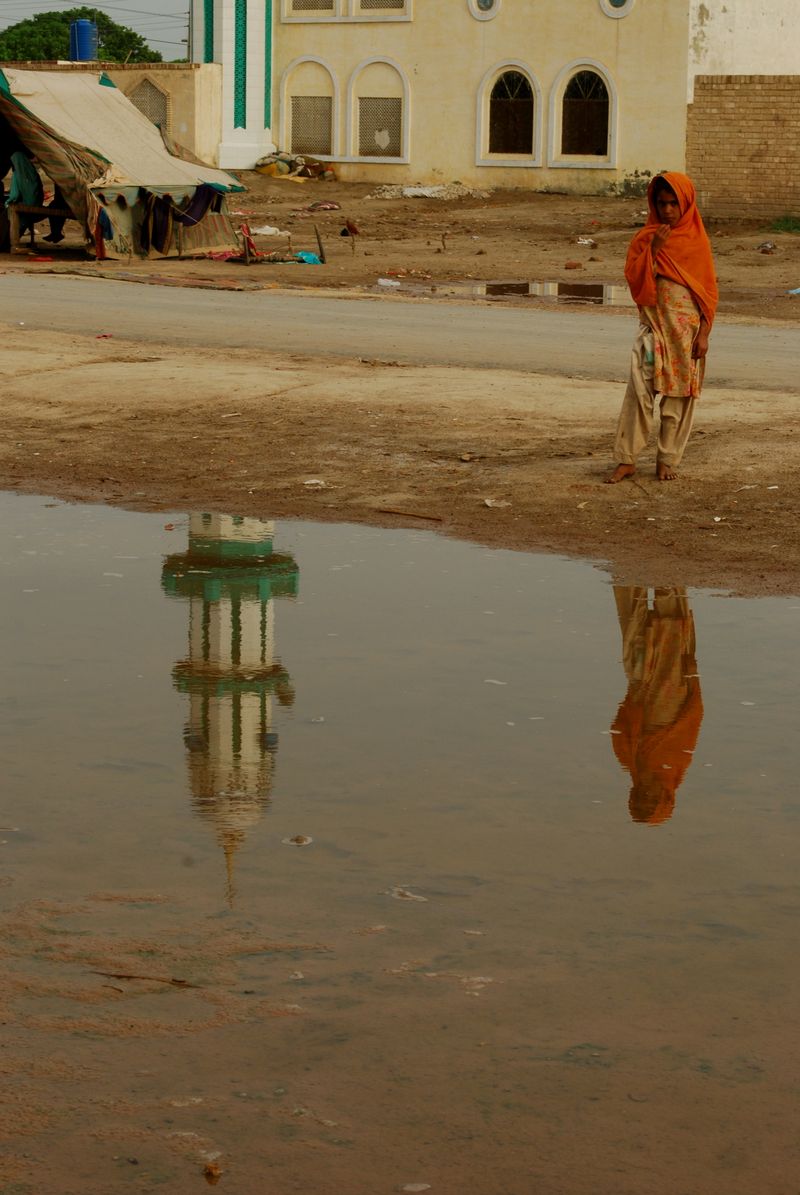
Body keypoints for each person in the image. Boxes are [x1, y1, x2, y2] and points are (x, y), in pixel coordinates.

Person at [606, 172, 718, 483]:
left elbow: (708, 294)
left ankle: (667, 460)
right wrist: (654, 249)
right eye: (661, 203)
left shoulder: (697, 242)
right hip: (652, 334)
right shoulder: (646, 239)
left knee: (677, 400)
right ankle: (627, 459)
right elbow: (635, 282)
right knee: (639, 394)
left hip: (685, 337)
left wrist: (704, 334)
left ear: (685, 205)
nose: (668, 210)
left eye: (673, 203)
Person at [610, 586, 703, 825]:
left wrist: (635, 702)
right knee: (671, 629)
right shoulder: (676, 763)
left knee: (636, 635)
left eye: (640, 797)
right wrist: (691, 676)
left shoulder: (629, 760)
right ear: (664, 796)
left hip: (642, 690)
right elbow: (693, 716)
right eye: (649, 798)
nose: (645, 792)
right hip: (671, 694)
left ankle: (629, 573)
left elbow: (619, 726)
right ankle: (668, 581)